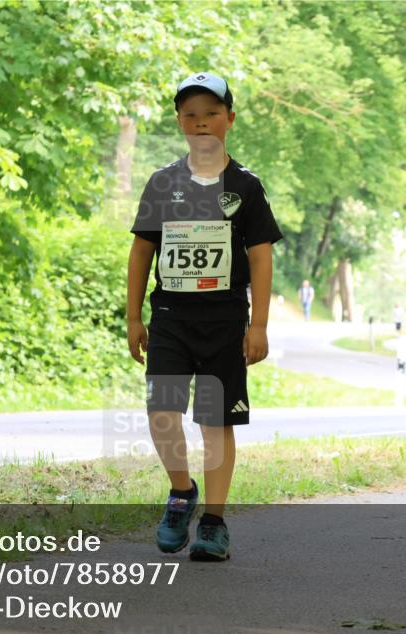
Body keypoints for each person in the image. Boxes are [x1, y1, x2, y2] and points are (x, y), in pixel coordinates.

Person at [126, 72, 282, 562]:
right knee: (162, 413)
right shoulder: (163, 182)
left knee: (216, 422)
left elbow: (260, 257)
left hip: (225, 322)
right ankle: (180, 492)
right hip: (170, 317)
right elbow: (141, 251)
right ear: (179, 122)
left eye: (211, 113)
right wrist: (134, 317)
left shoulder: (245, 187)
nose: (201, 123)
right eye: (190, 115)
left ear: (229, 120)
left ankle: (213, 522)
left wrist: (258, 325)